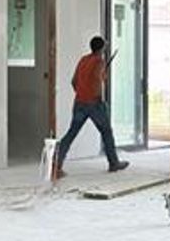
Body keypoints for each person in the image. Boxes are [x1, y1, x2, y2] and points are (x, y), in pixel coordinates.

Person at [53, 36, 129, 179]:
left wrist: (82, 93)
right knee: (106, 132)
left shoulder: (83, 60)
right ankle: (113, 163)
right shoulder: (99, 61)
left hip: (79, 102)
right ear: (101, 48)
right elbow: (96, 80)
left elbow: (74, 81)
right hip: (94, 103)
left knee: (71, 133)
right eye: (104, 46)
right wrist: (98, 97)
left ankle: (56, 165)